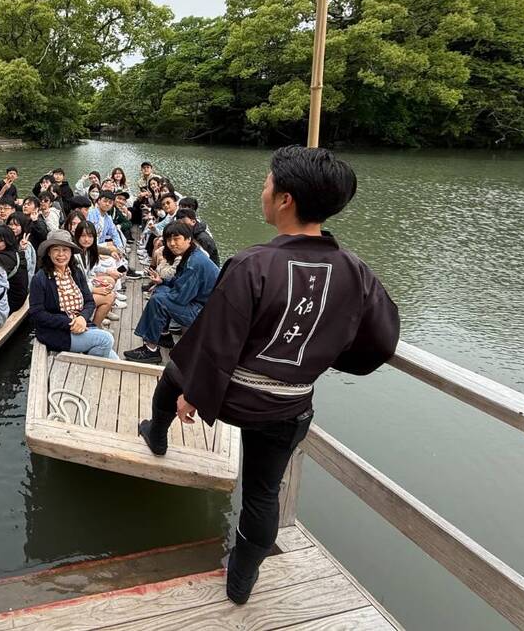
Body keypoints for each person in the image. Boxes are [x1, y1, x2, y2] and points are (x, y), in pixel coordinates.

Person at [137, 145, 400, 606]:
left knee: (170, 378)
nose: (263, 190)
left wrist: (193, 394)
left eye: (266, 182)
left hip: (233, 395)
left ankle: (157, 434)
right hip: (289, 404)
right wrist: (316, 357)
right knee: (262, 493)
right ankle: (241, 577)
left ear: (285, 199)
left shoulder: (253, 263)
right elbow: (380, 342)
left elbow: (214, 342)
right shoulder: (355, 270)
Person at [125, 222, 219, 364]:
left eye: (176, 239)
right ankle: (164, 335)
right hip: (198, 304)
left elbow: (180, 298)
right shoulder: (191, 254)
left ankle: (151, 350)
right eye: (169, 240)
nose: (172, 244)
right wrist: (162, 282)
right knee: (160, 290)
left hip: (205, 313)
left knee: (159, 300)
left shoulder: (195, 262)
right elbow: (179, 282)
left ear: (188, 239)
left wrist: (163, 292)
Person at [28, 230, 118, 359]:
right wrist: (70, 322)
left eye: (65, 250)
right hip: (58, 332)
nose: (61, 254)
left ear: (71, 252)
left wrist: (82, 318)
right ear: (49, 252)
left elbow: (89, 302)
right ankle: (86, 366)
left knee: (115, 359)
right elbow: (37, 313)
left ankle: (86, 365)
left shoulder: (76, 273)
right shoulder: (40, 278)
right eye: (56, 250)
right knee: (106, 339)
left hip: (81, 325)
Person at [72, 220, 119, 327]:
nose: (86, 239)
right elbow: (77, 283)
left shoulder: (87, 250)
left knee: (109, 281)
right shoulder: (74, 256)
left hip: (85, 286)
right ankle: (96, 326)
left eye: (90, 236)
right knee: (109, 296)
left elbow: (92, 268)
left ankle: (100, 315)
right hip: (77, 295)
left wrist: (107, 271)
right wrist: (95, 289)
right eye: (83, 236)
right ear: (77, 236)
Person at [0, 224, 28, 313]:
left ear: (8, 241)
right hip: (18, 299)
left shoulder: (3, 259)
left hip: (11, 304)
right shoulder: (14, 252)